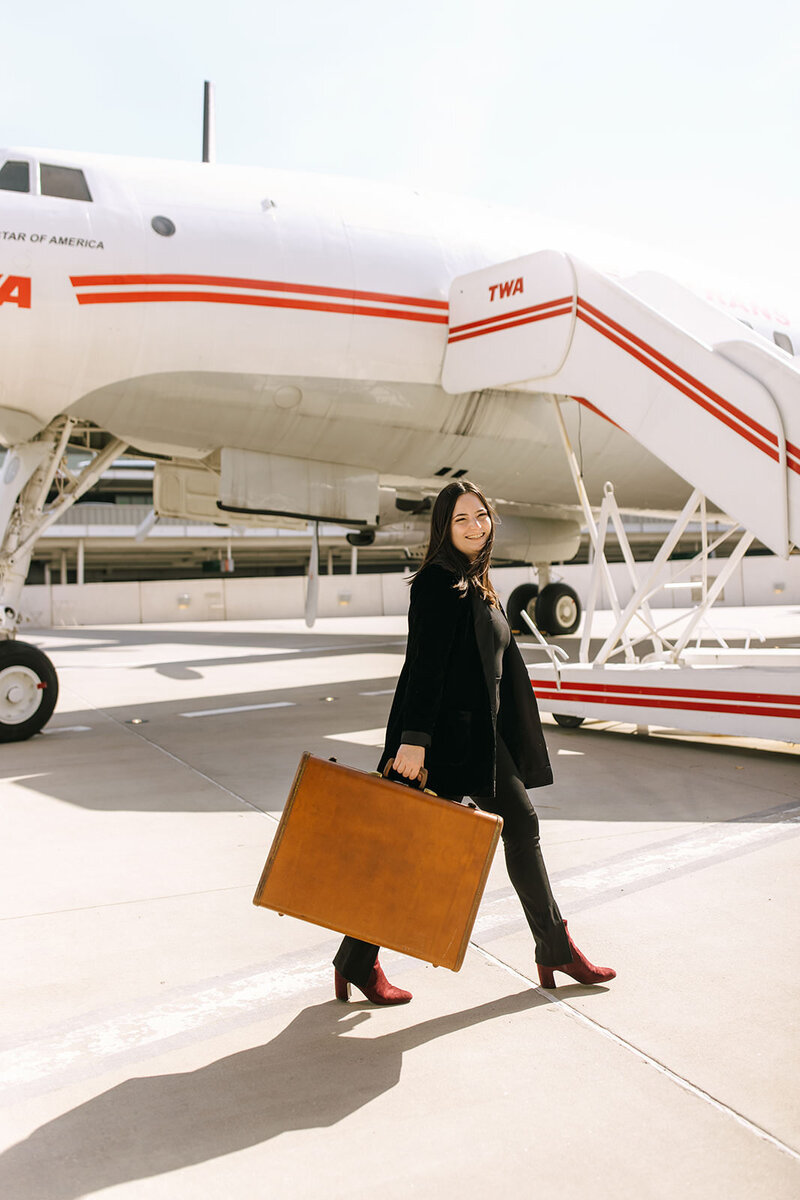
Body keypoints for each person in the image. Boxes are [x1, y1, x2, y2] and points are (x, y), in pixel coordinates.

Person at [333, 480, 616, 1005]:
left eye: (480, 516)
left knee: (514, 825)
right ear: (444, 527)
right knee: (413, 845)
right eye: (461, 518)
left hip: (479, 740)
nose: (473, 526)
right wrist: (414, 744)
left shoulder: (474, 579)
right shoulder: (438, 582)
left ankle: (552, 944)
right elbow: (423, 669)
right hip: (440, 742)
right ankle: (357, 959)